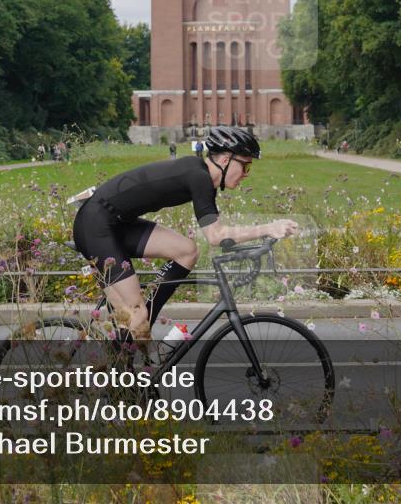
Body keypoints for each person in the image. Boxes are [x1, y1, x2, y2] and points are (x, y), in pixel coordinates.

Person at [72, 126, 298, 344]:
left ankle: (139, 326)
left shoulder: (198, 173)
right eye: (246, 166)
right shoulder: (199, 177)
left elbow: (215, 235)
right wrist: (267, 228)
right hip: (95, 226)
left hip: (117, 223)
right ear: (226, 159)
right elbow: (215, 236)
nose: (246, 175)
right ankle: (136, 328)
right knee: (136, 316)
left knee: (187, 251)